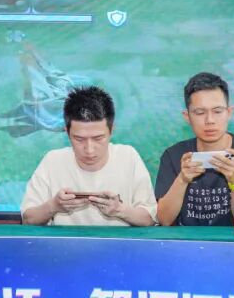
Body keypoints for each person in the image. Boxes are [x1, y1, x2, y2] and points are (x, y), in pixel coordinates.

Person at [21, 86, 156, 226]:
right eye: (79, 139)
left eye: (98, 138)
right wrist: (53, 206)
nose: (89, 150)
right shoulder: (53, 161)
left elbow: (149, 219)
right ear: (67, 132)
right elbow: (28, 219)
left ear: (111, 130)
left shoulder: (128, 157)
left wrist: (120, 210)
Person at [155, 73, 234, 226]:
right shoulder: (173, 155)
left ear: (229, 113)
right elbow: (164, 220)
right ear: (187, 117)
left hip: (233, 238)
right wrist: (182, 179)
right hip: (188, 239)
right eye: (200, 113)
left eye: (217, 111)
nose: (210, 120)